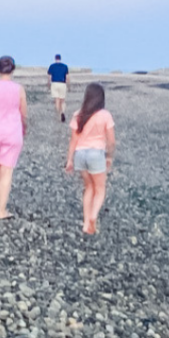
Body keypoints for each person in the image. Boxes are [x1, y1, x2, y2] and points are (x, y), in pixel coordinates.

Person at [65, 82, 115, 235]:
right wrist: (109, 157)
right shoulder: (105, 115)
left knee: (88, 188)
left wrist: (69, 160)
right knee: (100, 189)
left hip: (80, 154)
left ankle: (86, 224)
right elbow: (111, 141)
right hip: (96, 154)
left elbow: (73, 140)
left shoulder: (78, 114)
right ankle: (93, 216)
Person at [0, 56, 28, 220]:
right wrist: (24, 127)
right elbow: (23, 112)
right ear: (13, 69)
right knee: (7, 170)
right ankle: (2, 210)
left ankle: (0, 195)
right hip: (12, 131)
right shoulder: (18, 89)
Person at [46, 53, 70, 122]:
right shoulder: (65, 66)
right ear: (60, 58)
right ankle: (62, 112)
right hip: (62, 83)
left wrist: (48, 84)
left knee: (57, 100)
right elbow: (67, 77)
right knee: (62, 100)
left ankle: (58, 115)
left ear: (55, 58)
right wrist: (68, 85)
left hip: (54, 83)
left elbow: (49, 76)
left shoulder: (52, 66)